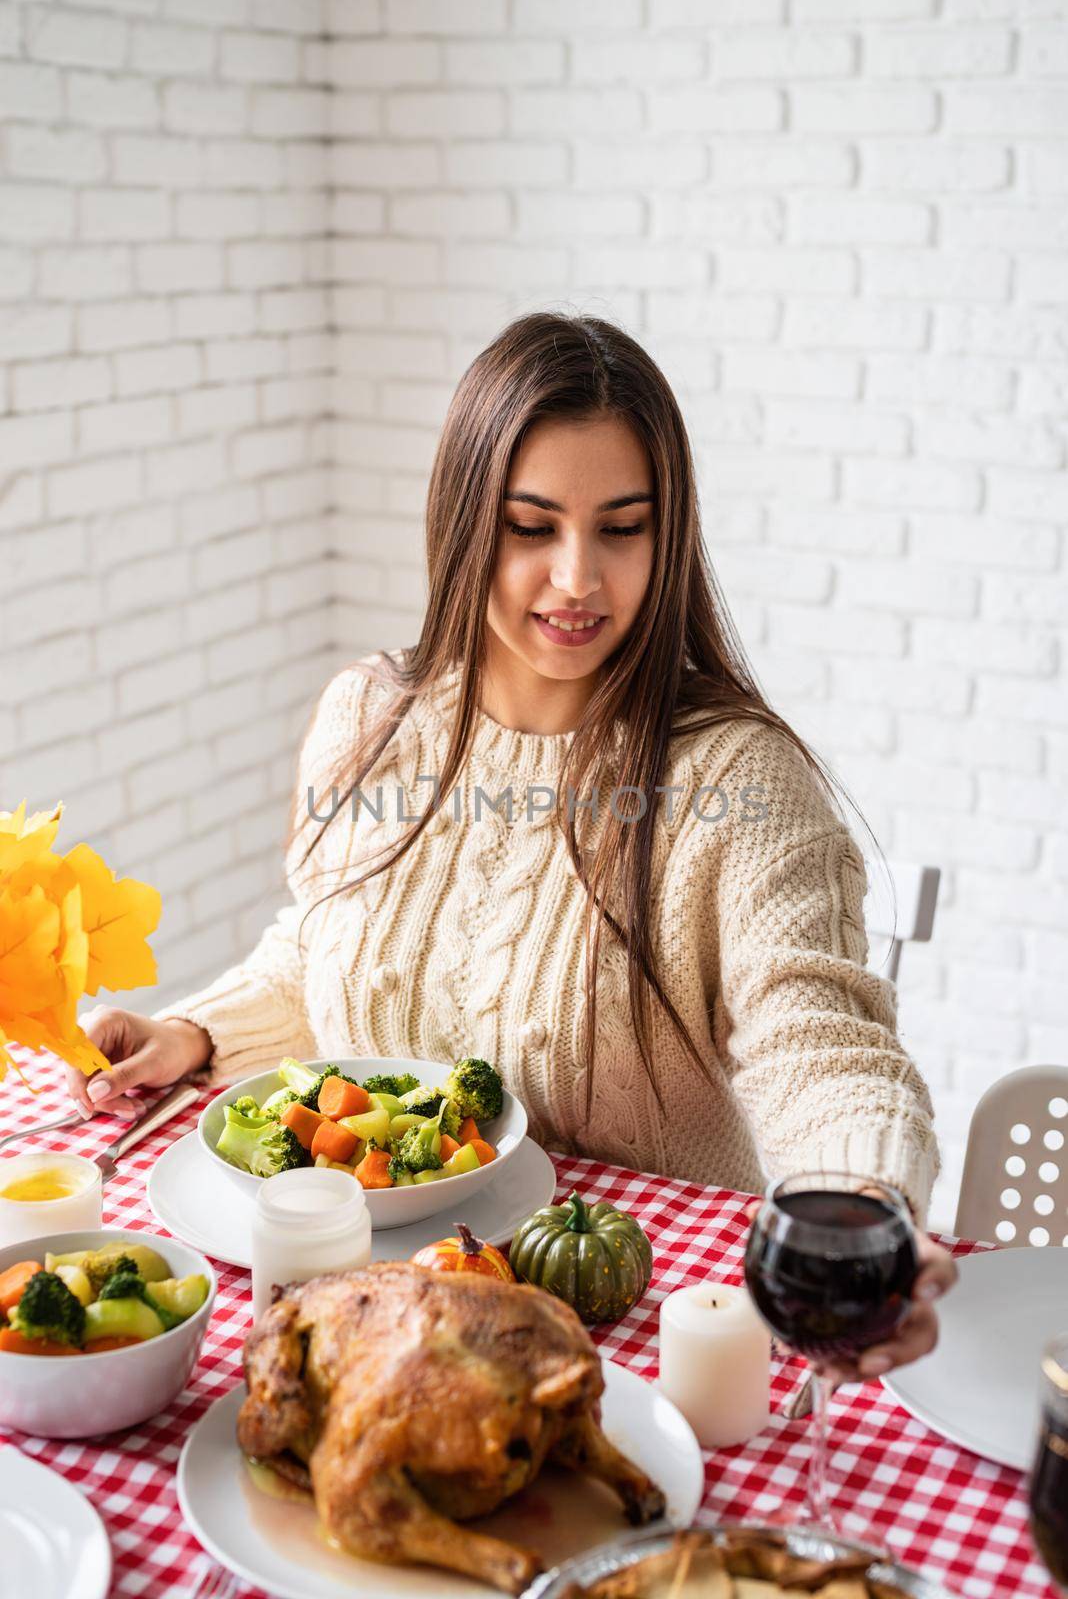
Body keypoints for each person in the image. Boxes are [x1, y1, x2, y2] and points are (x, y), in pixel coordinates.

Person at [68, 311, 955, 1380]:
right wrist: (197, 1036)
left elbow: (822, 1041)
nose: (577, 577)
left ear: (667, 535)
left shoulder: (737, 779)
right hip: (362, 1299)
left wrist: (864, 1201)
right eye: (532, 525)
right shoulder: (370, 716)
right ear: (461, 520)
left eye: (622, 527)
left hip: (622, 1330)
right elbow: (326, 945)